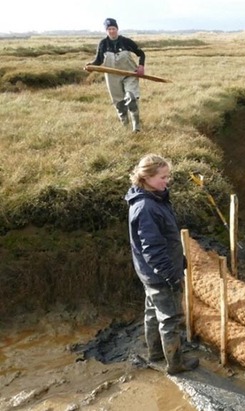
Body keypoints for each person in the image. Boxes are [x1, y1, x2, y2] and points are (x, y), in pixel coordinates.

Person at [125, 154, 199, 375]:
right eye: (163, 177)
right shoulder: (146, 207)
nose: (167, 181)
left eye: (168, 176)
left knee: (151, 311)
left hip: (151, 274)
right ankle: (175, 364)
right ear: (146, 177)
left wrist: (180, 260)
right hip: (160, 275)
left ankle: (155, 353)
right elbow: (153, 249)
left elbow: (165, 239)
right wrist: (171, 275)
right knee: (171, 319)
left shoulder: (153, 198)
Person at [85, 18, 146, 132]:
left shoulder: (126, 41)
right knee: (119, 103)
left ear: (117, 29)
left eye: (113, 28)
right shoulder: (103, 44)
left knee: (131, 98)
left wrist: (141, 66)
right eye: (109, 29)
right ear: (106, 31)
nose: (112, 31)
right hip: (112, 76)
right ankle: (125, 126)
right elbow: (98, 60)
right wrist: (91, 66)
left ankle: (136, 127)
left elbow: (141, 53)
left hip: (130, 74)